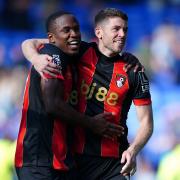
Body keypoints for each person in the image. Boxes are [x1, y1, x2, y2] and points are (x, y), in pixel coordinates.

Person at [21, 8, 153, 180]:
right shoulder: (77, 51)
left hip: (113, 163)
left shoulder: (134, 71)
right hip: (74, 161)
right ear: (99, 32)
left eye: (125, 30)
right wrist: (35, 58)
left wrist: (133, 150)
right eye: (116, 29)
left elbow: (146, 122)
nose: (122, 34)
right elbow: (30, 43)